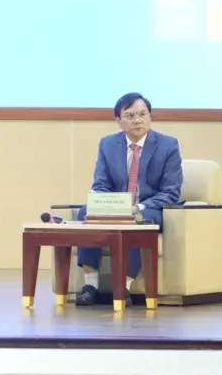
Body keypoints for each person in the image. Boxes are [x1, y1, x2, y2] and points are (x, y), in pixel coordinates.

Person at [74, 92, 183, 307]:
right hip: (117, 206)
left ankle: (123, 285)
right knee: (85, 212)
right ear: (119, 120)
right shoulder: (107, 144)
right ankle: (90, 285)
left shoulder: (168, 145)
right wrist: (107, 204)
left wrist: (137, 206)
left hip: (150, 208)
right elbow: (101, 184)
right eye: (130, 116)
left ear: (150, 117)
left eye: (143, 114)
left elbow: (171, 192)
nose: (137, 120)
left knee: (137, 218)